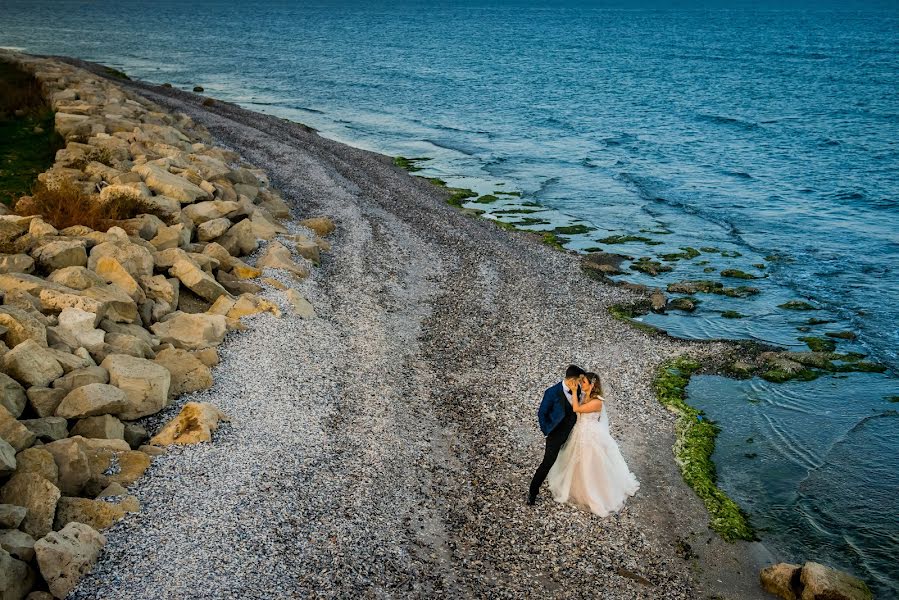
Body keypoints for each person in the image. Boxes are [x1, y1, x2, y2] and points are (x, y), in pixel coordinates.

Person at [546, 371, 639, 516]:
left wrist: (575, 391)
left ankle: (595, 493)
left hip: (591, 436)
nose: (581, 385)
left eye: (583, 382)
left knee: (590, 463)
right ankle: (576, 488)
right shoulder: (584, 396)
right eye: (581, 382)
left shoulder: (597, 401)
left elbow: (577, 409)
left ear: (592, 384)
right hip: (579, 432)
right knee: (575, 462)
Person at [528, 365, 586, 505]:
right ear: (572, 380)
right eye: (579, 380)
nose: (581, 384)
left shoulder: (577, 390)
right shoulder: (552, 392)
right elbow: (542, 413)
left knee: (572, 460)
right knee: (547, 463)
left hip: (574, 432)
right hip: (556, 435)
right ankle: (532, 492)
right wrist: (547, 431)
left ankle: (566, 488)